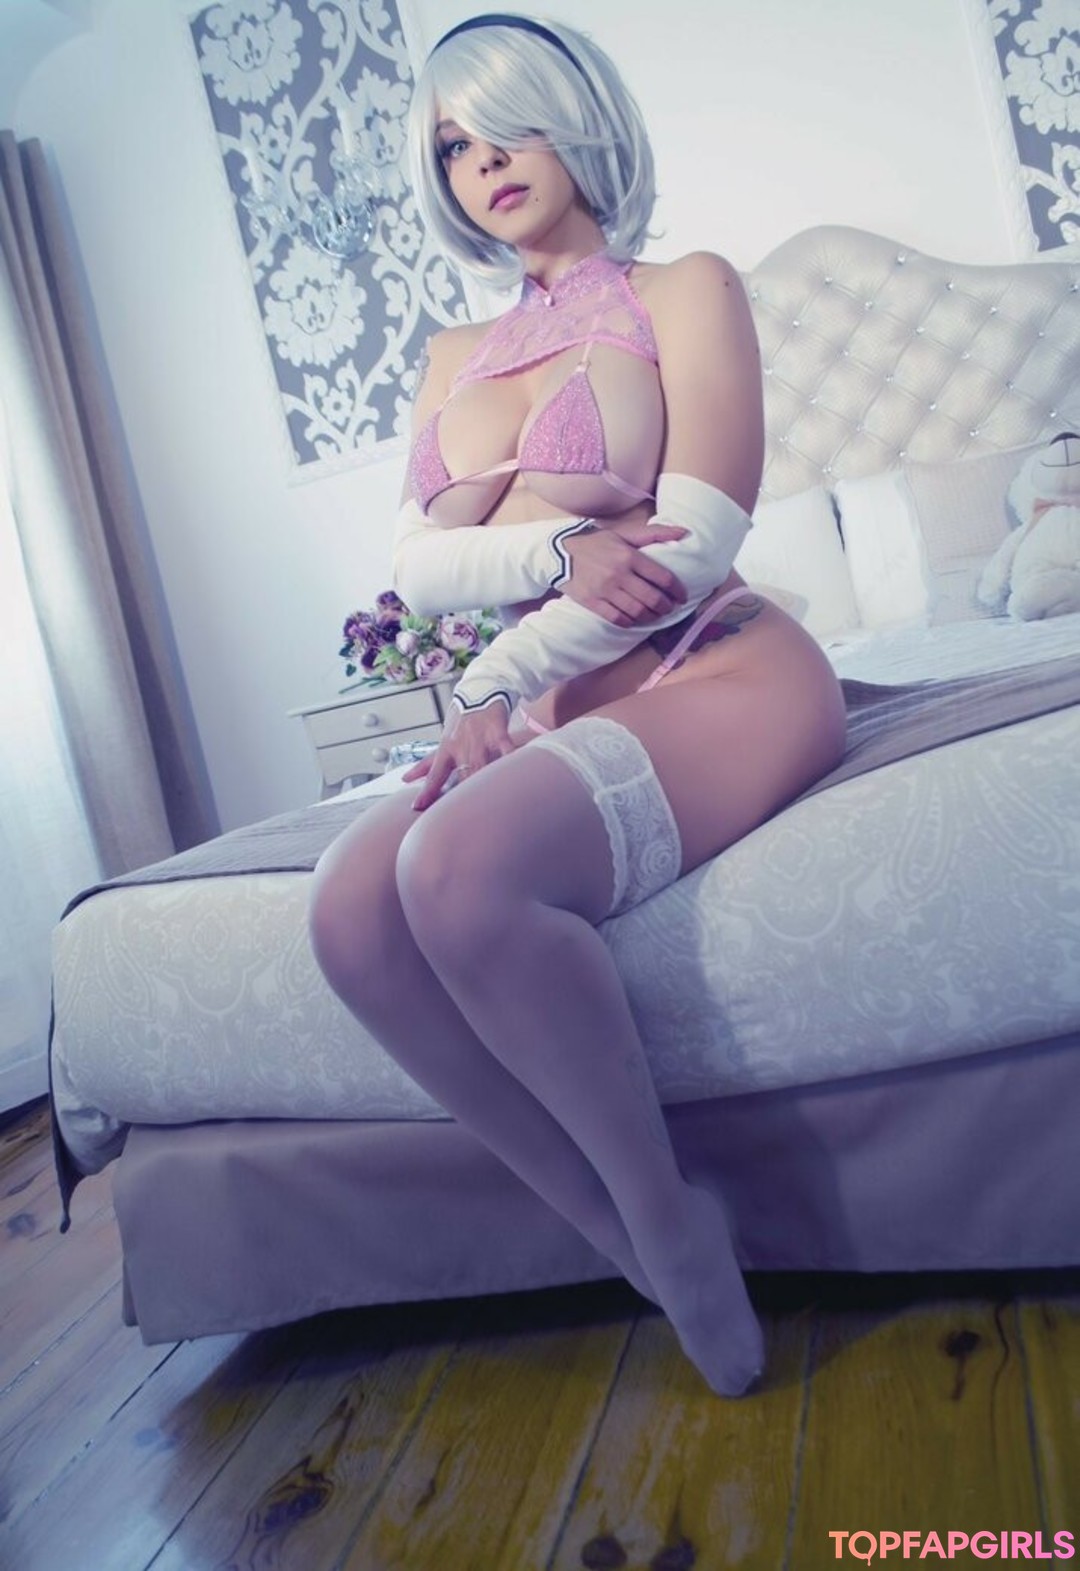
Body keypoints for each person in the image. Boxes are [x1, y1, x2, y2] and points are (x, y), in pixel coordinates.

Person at [309, 12, 846, 1397]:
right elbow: (419, 567)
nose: (483, 161)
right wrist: (557, 554)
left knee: (455, 870)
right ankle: (625, 1233)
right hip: (560, 706)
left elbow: (695, 545)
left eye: (508, 125)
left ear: (577, 119)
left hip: (719, 663)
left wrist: (492, 681)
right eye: (453, 145)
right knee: (348, 910)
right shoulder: (451, 357)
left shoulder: (687, 289)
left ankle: (669, 1226)